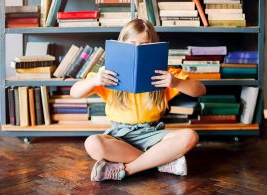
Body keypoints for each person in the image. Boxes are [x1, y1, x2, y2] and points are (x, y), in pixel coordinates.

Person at [70, 19, 206, 181]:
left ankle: (128, 169)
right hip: (119, 135)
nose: (138, 49)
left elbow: (200, 90)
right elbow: (74, 92)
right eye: (132, 44)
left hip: (152, 133)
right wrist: (93, 80)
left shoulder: (164, 74)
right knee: (92, 143)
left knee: (190, 136)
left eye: (144, 45)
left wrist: (175, 82)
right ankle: (160, 161)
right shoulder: (108, 73)